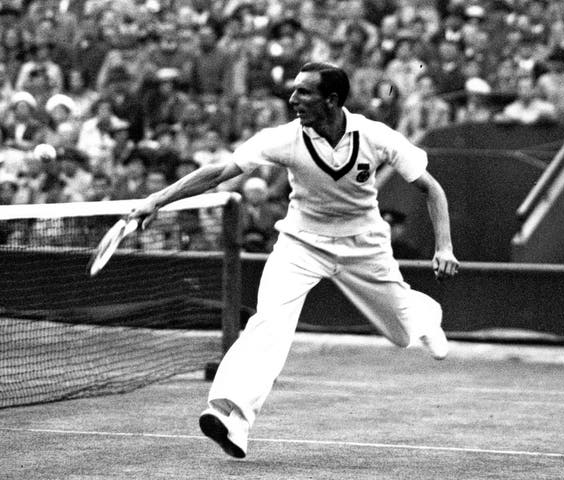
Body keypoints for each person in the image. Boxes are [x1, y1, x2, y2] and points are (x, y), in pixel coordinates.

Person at [128, 62, 459, 459]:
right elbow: (219, 172)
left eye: (304, 92)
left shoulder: (376, 136)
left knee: (401, 332)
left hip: (364, 245)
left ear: (332, 100)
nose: (293, 99)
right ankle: (230, 417)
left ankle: (424, 317)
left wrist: (444, 246)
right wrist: (157, 199)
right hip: (301, 244)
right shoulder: (284, 139)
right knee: (268, 323)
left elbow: (432, 188)